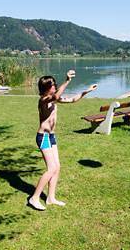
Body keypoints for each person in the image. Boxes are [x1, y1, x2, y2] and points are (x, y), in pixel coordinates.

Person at [28, 70, 97, 211]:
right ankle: (34, 198)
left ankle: (51, 198)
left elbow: (72, 100)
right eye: (52, 85)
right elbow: (56, 96)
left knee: (57, 167)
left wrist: (86, 91)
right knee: (51, 168)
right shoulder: (43, 100)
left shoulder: (53, 99)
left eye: (55, 84)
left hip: (51, 137)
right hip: (43, 137)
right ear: (46, 88)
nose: (55, 86)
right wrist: (67, 81)